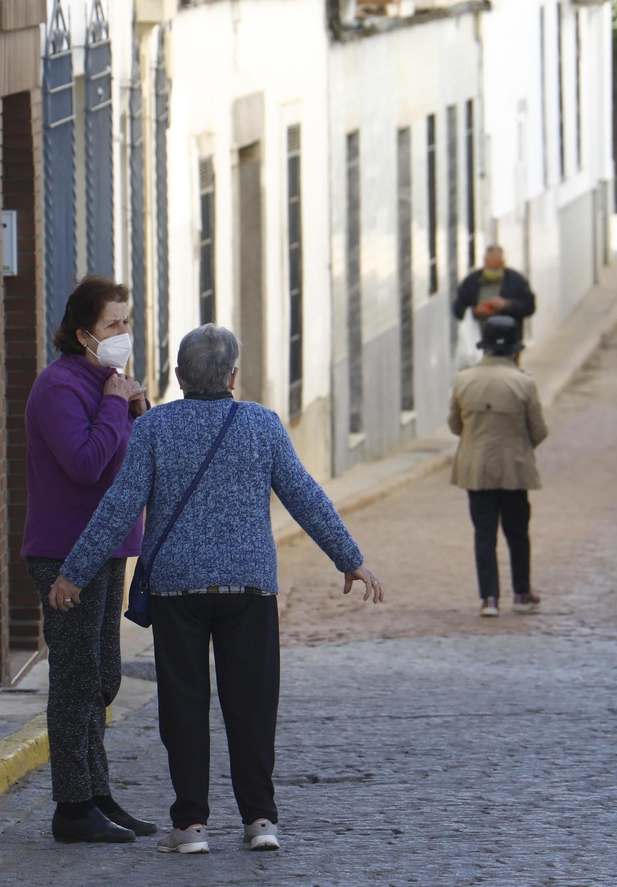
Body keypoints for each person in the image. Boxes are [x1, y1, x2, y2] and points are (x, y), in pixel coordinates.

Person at [49, 324, 383, 856]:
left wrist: (74, 572)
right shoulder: (263, 425)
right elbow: (304, 495)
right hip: (248, 587)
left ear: (179, 377)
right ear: (233, 376)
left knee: (183, 707)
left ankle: (191, 827)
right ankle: (260, 820)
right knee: (251, 706)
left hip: (177, 590)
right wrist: (350, 559)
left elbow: (118, 506)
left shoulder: (155, 428)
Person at [21, 277, 154, 845]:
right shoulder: (60, 388)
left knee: (102, 676)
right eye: (112, 325)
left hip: (109, 549)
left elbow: (138, 457)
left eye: (127, 322)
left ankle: (98, 795)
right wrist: (114, 404)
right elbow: (85, 463)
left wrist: (137, 407)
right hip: (65, 554)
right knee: (75, 680)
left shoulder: (110, 384)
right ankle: (72, 806)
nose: (123, 333)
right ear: (83, 334)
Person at [448, 315, 548, 618]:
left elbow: (455, 425)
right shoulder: (524, 382)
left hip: (476, 467)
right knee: (518, 532)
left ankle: (489, 599)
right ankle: (521, 593)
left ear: (486, 348)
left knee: (484, 534)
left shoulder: (464, 379)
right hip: (514, 467)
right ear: (515, 350)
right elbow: (539, 430)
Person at [452, 245, 536, 335]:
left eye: (496, 269)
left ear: (503, 264)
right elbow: (458, 309)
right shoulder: (471, 282)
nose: (493, 272)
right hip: (478, 340)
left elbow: (529, 307)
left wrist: (507, 305)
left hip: (509, 340)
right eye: (490, 268)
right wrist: (475, 311)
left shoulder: (516, 280)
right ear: (484, 263)